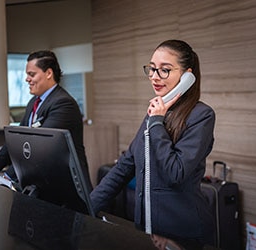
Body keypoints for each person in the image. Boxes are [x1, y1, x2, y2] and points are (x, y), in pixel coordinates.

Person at [90, 40, 215, 246]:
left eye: (164, 70)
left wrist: (157, 121)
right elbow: (124, 166)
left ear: (187, 76)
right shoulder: (155, 113)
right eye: (152, 69)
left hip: (182, 234)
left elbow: (176, 173)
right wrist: (87, 205)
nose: (155, 77)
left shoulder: (201, 115)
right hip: (147, 230)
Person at [0, 50, 90, 189]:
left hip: (66, 189)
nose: (27, 79)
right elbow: (16, 140)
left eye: (31, 74)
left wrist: (5, 177)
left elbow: (38, 149)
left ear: (49, 73)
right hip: (43, 184)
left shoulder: (63, 104)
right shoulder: (34, 102)